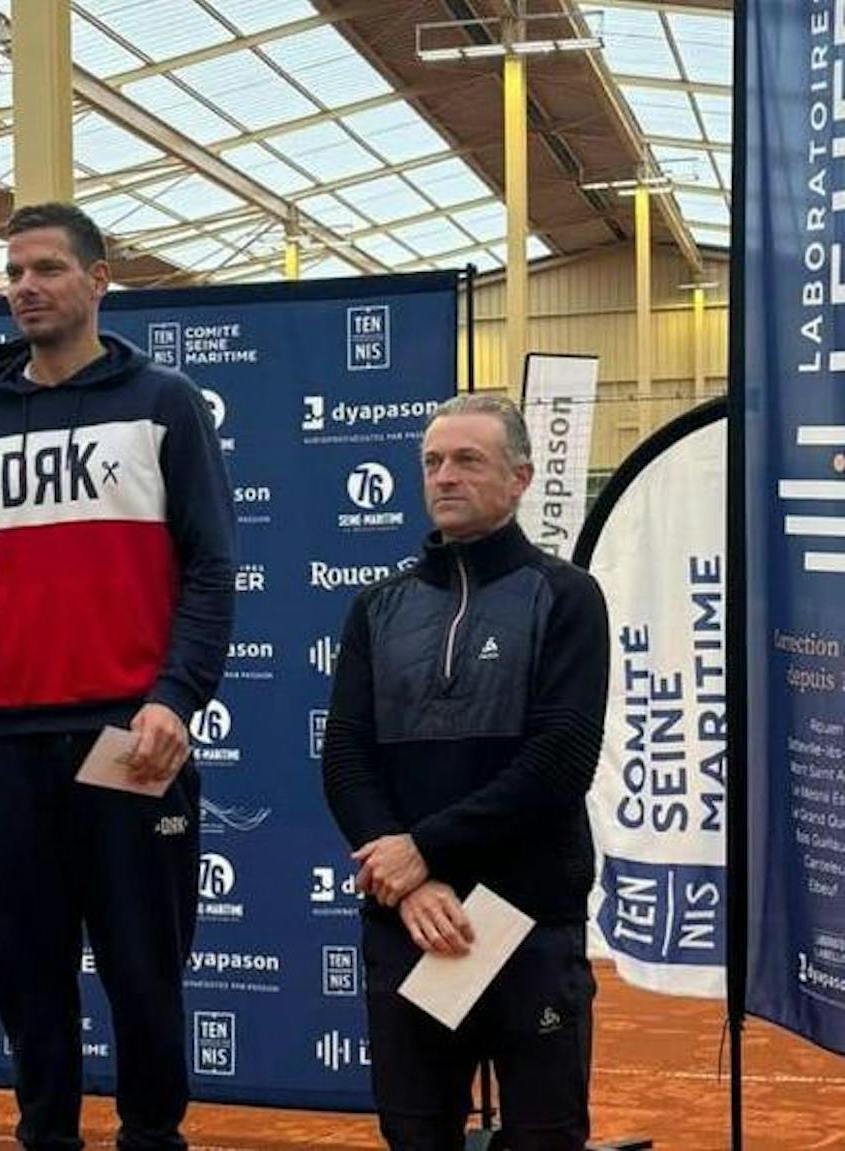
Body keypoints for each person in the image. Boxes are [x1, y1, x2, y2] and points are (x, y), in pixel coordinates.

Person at [0, 202, 236, 1151]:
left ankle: (152, 1135)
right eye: (13, 271)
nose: (25, 286)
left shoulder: (164, 402)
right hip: (8, 743)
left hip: (126, 738)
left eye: (48, 268)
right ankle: (44, 1132)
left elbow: (212, 567)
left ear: (100, 281)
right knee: (26, 968)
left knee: (144, 967)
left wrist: (176, 696)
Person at [321, 393, 610, 1150]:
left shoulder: (567, 596)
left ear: (519, 477)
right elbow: (346, 756)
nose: (444, 476)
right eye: (433, 461)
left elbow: (560, 760)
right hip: (411, 921)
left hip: (530, 921)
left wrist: (425, 850)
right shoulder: (375, 608)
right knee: (417, 1136)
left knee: (546, 1138)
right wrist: (413, 878)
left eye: (467, 460)